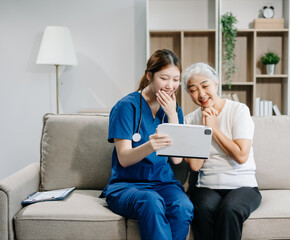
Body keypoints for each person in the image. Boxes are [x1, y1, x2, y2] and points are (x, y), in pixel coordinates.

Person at [100, 49, 193, 240]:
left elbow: (176, 159)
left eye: (176, 80)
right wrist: (150, 145)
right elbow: (124, 159)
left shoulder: (175, 110)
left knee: (183, 206)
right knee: (151, 201)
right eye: (164, 78)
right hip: (126, 186)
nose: (170, 85)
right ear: (150, 75)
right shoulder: (126, 107)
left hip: (164, 184)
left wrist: (173, 115)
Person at [182, 63, 262, 240]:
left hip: (243, 186)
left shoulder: (238, 110)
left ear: (216, 84)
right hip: (207, 186)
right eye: (193, 90)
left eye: (205, 86)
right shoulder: (190, 120)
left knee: (229, 210)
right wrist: (203, 129)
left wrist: (213, 129)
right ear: (188, 94)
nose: (201, 94)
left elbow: (241, 156)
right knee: (201, 208)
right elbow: (195, 166)